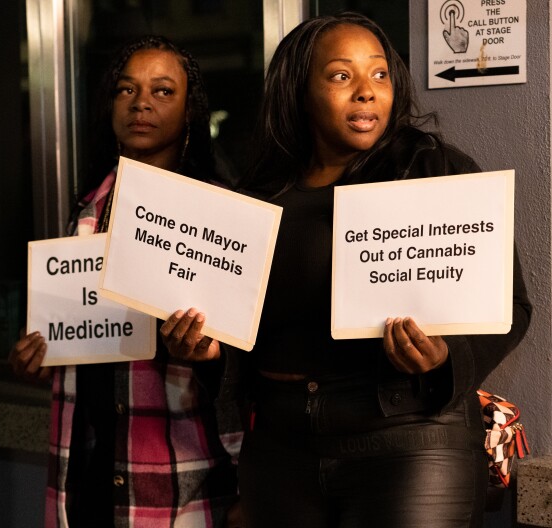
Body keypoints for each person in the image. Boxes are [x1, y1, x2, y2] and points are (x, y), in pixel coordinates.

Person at [161, 12, 532, 528]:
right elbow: (242, 337)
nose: (366, 92)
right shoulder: (255, 197)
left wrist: (444, 359)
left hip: (408, 441)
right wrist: (206, 350)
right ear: (299, 90)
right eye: (341, 76)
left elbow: (511, 306)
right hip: (280, 447)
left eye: (379, 75)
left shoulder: (433, 170)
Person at [10, 35, 242, 527]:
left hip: (183, 472)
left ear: (191, 109)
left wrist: (210, 353)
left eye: (162, 91)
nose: (141, 103)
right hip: (93, 469)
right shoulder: (90, 208)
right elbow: (86, 336)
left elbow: (248, 360)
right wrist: (40, 354)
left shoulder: (219, 212)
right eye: (126, 90)